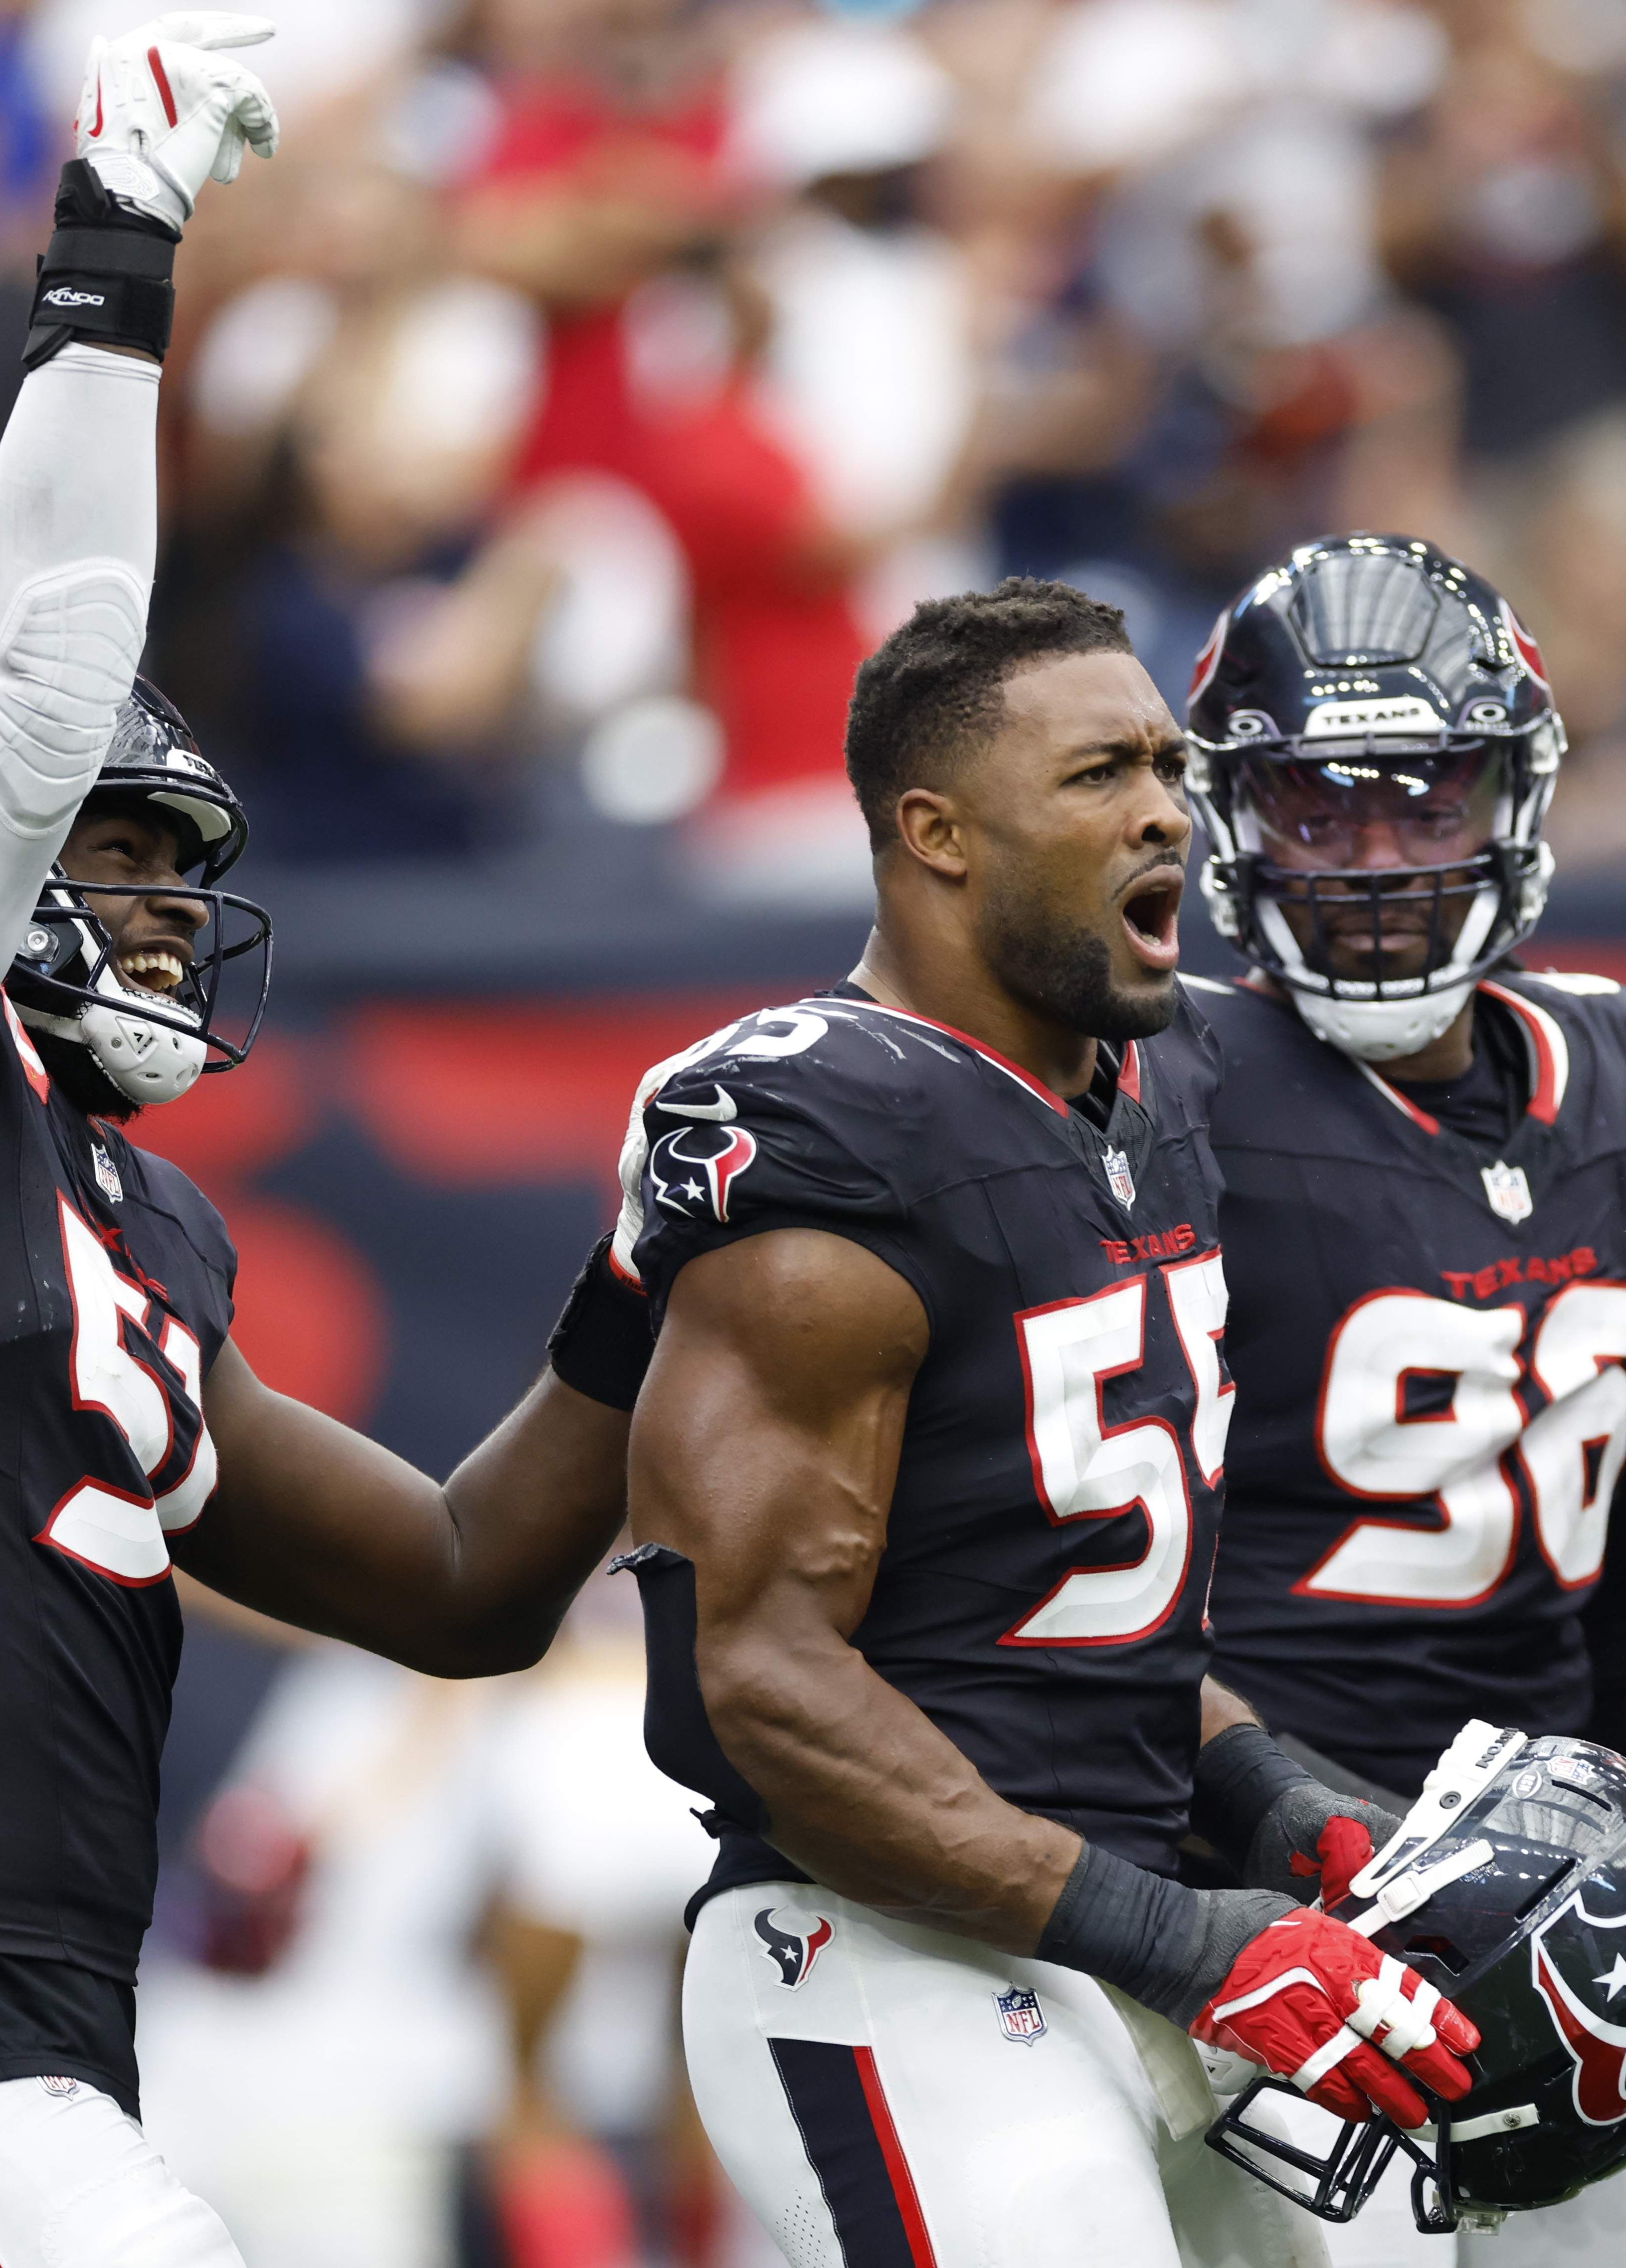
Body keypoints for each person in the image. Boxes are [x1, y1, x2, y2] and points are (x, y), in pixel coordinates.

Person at [0, 21, 650, 2259]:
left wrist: (649, 1273)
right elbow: (34, 694)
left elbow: (467, 1590)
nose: (169, 908)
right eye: (119, 851)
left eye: (184, 863)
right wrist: (115, 250)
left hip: (15, 2047)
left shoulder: (122, 1220)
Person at [609, 578, 1486, 2268]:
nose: (1167, 806)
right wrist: (1188, 1935)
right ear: (934, 832)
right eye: (1100, 774)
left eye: (1168, 765)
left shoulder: (1141, 1103)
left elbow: (1077, 1611)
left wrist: (1280, 1799)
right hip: (890, 1946)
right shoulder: (827, 1130)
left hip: (1144, 1916)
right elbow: (758, 1685)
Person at [1175, 532, 1626, 2265]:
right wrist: (1269, 1805)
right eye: (1319, 808)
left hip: (1568, 1897)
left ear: (1519, 794)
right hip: (1269, 1876)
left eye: (1427, 798)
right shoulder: (1166, 1090)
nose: (1375, 861)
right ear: (1231, 820)